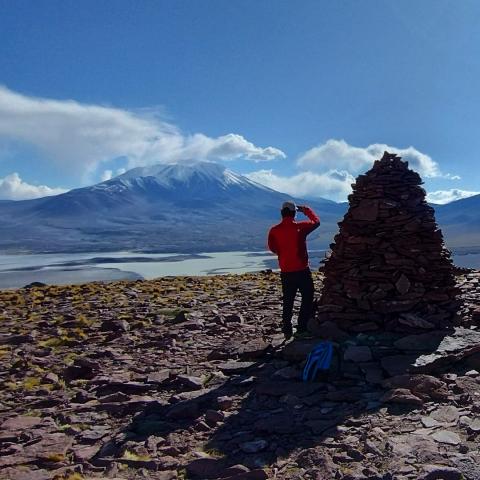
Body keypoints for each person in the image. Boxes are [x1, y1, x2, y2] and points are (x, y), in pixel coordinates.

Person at [268, 201, 320, 340]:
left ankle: (287, 328)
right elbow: (316, 222)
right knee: (307, 297)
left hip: (286, 271)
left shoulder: (274, 230)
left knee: (288, 299)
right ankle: (301, 328)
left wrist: (283, 254)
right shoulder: (300, 227)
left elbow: (272, 247)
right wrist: (307, 210)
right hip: (302, 270)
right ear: (294, 213)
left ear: (282, 213)